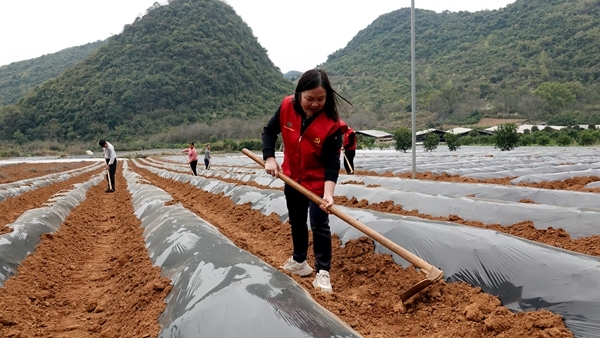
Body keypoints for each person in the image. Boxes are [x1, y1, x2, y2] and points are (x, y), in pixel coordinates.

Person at [262, 68, 351, 293]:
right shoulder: (285, 107)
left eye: (321, 99)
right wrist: (269, 158)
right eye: (309, 99)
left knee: (320, 224)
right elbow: (269, 132)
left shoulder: (332, 125)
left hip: (318, 182)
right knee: (297, 220)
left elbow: (332, 163)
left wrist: (328, 194)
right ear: (299, 93)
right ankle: (300, 261)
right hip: (292, 176)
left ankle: (323, 272)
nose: (315, 104)